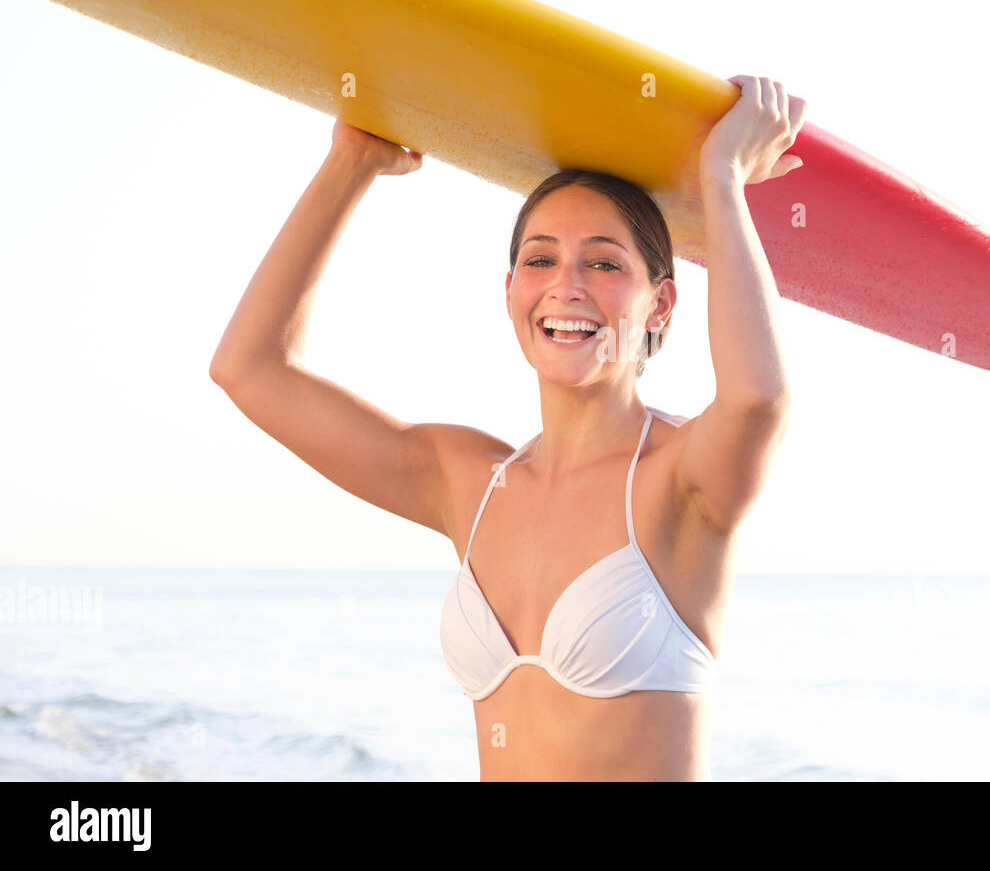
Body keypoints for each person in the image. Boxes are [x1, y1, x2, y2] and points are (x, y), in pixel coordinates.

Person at [209, 75, 806, 780]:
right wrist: (352, 163)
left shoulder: (683, 477)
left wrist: (723, 178)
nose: (567, 285)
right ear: (510, 290)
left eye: (605, 263)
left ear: (660, 305)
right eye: (541, 258)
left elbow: (755, 401)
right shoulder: (469, 483)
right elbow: (249, 369)